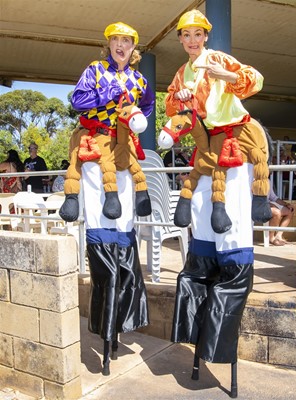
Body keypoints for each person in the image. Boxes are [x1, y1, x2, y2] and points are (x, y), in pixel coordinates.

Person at [165, 9, 269, 370]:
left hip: (234, 148)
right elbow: (173, 109)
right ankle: (193, 332)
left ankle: (216, 344)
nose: (192, 40)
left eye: (198, 34)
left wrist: (230, 75)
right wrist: (177, 110)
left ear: (205, 37)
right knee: (202, 238)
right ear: (180, 39)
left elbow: (254, 80)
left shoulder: (217, 59)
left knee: (233, 233)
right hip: (206, 151)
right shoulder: (181, 74)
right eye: (186, 35)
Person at [67, 21, 154, 375]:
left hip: (123, 152)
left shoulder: (139, 80)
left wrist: (131, 123)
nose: (121, 46)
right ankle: (104, 330)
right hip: (93, 154)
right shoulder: (96, 71)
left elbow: (147, 107)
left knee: (125, 237)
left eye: (127, 41)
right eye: (116, 40)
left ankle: (120, 325)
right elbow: (77, 100)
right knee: (102, 235)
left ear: (134, 48)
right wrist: (108, 99)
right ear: (108, 44)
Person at [268, 179, 294, 246]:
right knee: (277, 212)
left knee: (290, 211)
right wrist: (268, 204)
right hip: (259, 207)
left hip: (267, 206)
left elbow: (273, 197)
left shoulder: (268, 180)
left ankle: (278, 235)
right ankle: (271, 238)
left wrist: (286, 204)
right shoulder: (252, 180)